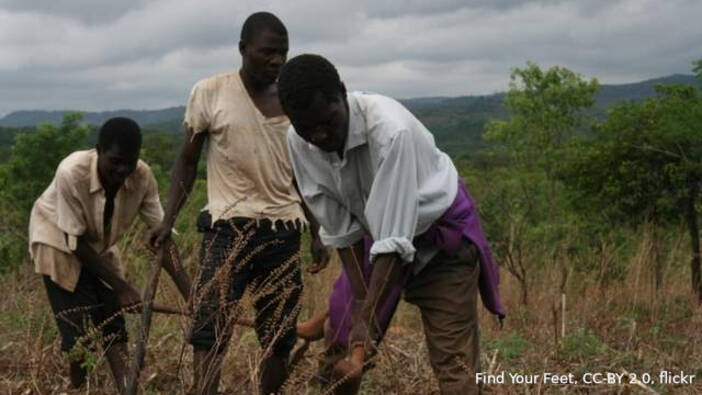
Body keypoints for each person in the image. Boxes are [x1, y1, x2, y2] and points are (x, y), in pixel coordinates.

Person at [278, 54, 506, 395]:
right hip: (377, 241)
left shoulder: (389, 131)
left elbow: (395, 240)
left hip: (441, 243)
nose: (319, 136)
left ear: (342, 92)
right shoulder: (298, 142)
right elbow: (344, 233)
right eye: (306, 127)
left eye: (327, 121)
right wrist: (358, 306)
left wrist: (366, 318)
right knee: (340, 348)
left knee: (454, 365)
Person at [149, 12, 328, 395]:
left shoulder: (291, 101)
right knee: (209, 330)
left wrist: (317, 229)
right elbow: (187, 158)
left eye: (283, 52)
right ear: (243, 50)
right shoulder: (210, 92)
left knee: (279, 336)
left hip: (283, 231)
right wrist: (168, 219)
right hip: (226, 229)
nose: (277, 61)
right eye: (267, 52)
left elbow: (302, 174)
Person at [28, 117, 191, 393]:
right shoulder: (71, 172)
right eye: (115, 161)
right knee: (80, 335)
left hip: (98, 245)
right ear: (98, 151)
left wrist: (192, 296)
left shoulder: (142, 175)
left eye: (130, 161)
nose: (122, 169)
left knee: (114, 325)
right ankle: (78, 389)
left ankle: (127, 389)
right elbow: (74, 242)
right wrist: (123, 286)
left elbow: (161, 237)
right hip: (57, 240)